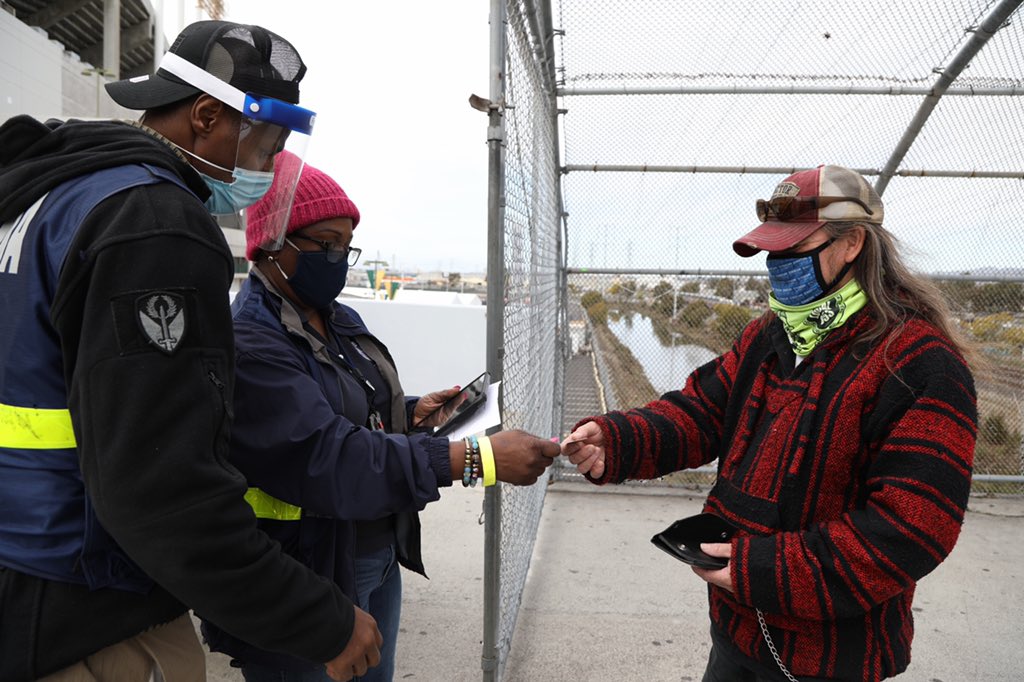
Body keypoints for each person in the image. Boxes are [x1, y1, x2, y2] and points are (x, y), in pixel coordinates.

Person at [0, 20, 382, 682]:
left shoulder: (52, 197)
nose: (268, 169)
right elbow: (160, 480)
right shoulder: (154, 225)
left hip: (26, 569)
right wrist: (316, 617)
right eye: (267, 145)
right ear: (207, 117)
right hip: (94, 607)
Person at [563, 165, 976, 682]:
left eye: (792, 249)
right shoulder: (772, 335)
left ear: (851, 245)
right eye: (770, 252)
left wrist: (761, 571)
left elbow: (912, 528)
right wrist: (619, 440)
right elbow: (701, 411)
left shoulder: (920, 363)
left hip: (833, 661)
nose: (777, 265)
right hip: (738, 633)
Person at [199, 151, 560, 681]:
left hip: (374, 552)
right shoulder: (252, 343)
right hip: (306, 572)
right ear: (273, 246)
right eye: (326, 244)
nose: (340, 258)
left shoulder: (336, 317)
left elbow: (348, 409)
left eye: (347, 244)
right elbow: (326, 456)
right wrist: (474, 458)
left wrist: (411, 414)